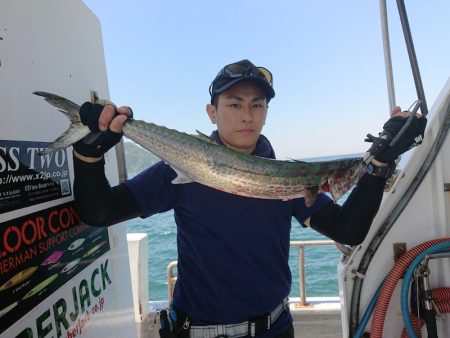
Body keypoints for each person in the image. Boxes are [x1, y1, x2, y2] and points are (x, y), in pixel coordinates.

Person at [72, 59, 426, 338]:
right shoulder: (178, 170)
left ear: (266, 112)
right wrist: (89, 156)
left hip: (274, 330)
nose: (247, 114)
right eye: (235, 103)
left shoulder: (287, 179)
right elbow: (99, 212)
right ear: (212, 112)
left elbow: (348, 230)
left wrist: (381, 161)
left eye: (257, 104)